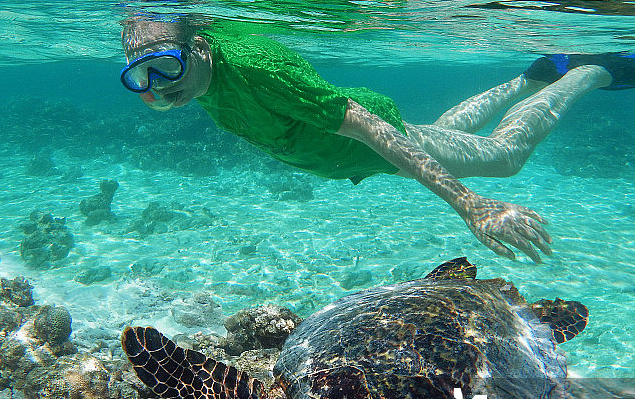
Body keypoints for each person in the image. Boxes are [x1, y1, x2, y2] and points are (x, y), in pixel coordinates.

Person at [120, 14, 634, 263]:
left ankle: (588, 74)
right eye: (143, 77)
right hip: (358, 154)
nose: (163, 88)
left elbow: (371, 127)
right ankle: (533, 77)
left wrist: (472, 205)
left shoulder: (258, 71)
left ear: (200, 45)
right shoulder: (196, 77)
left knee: (504, 158)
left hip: (371, 140)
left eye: (166, 66)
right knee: (444, 134)